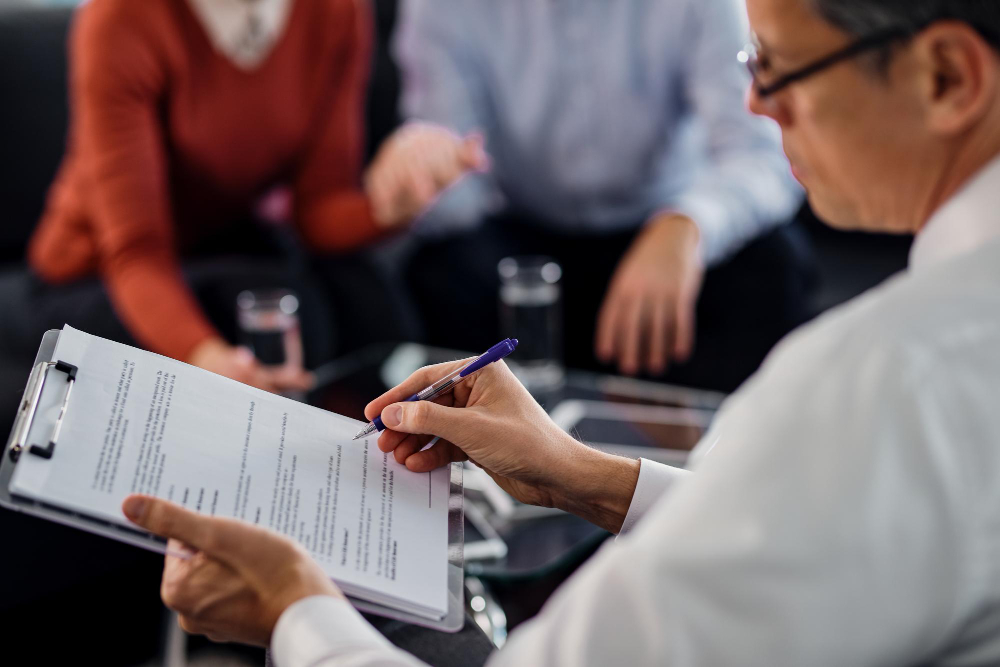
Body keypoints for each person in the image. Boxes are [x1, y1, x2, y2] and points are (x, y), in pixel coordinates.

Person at [122, 0, 1000, 664]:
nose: (760, 107)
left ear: (947, 79)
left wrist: (292, 607)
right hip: (521, 227)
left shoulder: (879, 380)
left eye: (776, 68)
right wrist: (587, 478)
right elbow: (822, 541)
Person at [0, 0, 484, 395]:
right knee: (288, 315)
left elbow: (318, 210)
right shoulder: (122, 19)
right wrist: (207, 358)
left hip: (225, 243)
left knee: (372, 302)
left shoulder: (335, 12)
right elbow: (136, 252)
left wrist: (392, 206)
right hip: (97, 269)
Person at [365, 0, 811, 391]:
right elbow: (459, 198)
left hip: (660, 232)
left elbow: (759, 152)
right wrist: (420, 181)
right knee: (441, 272)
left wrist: (687, 226)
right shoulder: (440, 7)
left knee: (773, 265)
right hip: (521, 237)